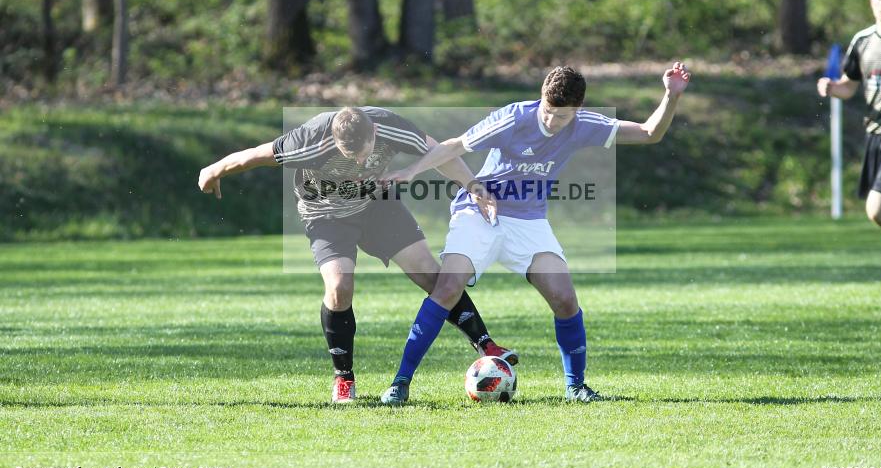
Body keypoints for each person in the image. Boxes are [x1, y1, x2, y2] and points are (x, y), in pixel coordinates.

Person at [379, 62, 691, 404]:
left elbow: (649, 133)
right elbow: (454, 145)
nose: (552, 121)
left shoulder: (585, 125)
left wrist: (671, 96)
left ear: (578, 110)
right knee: (448, 288)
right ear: (541, 98)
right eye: (548, 111)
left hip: (528, 221)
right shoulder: (514, 118)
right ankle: (400, 382)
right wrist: (412, 171)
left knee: (565, 299)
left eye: (562, 116)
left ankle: (576, 387)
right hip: (479, 211)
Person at [197, 106, 516, 403]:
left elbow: (439, 152)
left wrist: (473, 186)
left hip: (377, 205)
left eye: (365, 154)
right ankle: (344, 377)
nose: (361, 163)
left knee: (431, 274)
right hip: (325, 214)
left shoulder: (390, 126)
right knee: (339, 288)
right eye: (351, 156)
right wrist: (214, 169)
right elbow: (255, 155)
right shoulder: (308, 141)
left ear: (374, 131)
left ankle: (486, 344)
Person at [817, 0, 881, 355]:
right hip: (875, 139)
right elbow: (850, 85)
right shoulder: (862, 41)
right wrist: (833, 88)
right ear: (871, 1)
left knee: (878, 208)